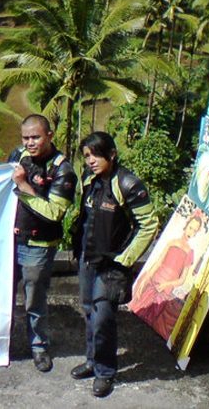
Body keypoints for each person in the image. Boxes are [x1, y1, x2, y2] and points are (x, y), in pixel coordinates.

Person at [71, 132, 158, 397]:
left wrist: (125, 259)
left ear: (112, 154)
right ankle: (92, 360)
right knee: (89, 312)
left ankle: (105, 373)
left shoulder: (128, 183)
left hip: (111, 264)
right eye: (87, 156)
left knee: (103, 319)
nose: (91, 161)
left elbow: (149, 224)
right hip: (88, 257)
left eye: (96, 155)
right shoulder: (89, 179)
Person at [8, 114, 76, 373]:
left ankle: (39, 346)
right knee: (3, 295)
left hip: (38, 244)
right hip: (9, 240)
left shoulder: (63, 170)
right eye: (26, 138)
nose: (30, 143)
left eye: (35, 137)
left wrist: (23, 185)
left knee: (34, 299)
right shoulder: (18, 155)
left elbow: (53, 212)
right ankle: (1, 342)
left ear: (49, 135)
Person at [131, 213, 203, 340]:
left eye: (194, 231)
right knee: (139, 308)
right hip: (155, 280)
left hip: (165, 289)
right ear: (186, 225)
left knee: (151, 316)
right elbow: (158, 262)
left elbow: (182, 279)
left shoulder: (189, 252)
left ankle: (140, 339)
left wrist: (166, 284)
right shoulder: (172, 242)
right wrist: (146, 278)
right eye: (190, 228)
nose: (191, 232)